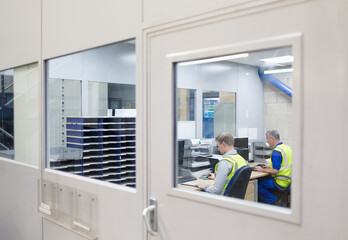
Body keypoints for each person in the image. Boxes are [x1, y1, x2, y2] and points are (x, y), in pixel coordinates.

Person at [254, 130, 292, 205]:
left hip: (281, 181)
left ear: (272, 139)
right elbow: (283, 164)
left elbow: (275, 171)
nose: (267, 141)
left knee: (258, 186)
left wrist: (262, 169)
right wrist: (269, 166)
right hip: (289, 180)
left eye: (267, 139)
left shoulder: (276, 152)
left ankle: (276, 202)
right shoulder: (287, 148)